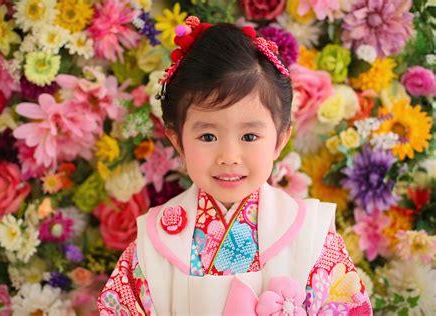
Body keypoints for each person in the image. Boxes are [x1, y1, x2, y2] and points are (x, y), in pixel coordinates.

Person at [98, 17, 373, 316]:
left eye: (249, 136)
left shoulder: (311, 234)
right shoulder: (154, 244)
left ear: (280, 139)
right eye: (207, 136)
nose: (229, 156)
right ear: (177, 140)